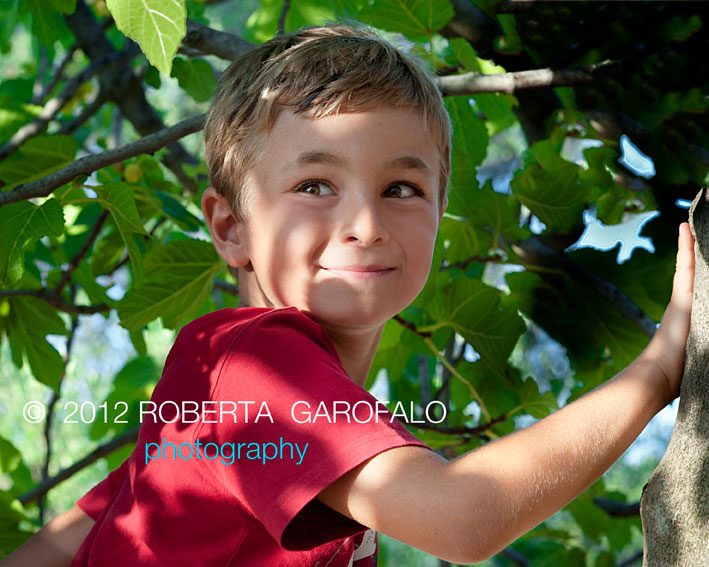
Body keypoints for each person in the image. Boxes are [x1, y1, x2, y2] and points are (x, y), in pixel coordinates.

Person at [1, 24, 695, 567]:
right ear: (229, 225)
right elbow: (462, 516)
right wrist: (656, 370)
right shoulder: (254, 364)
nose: (364, 224)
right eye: (314, 186)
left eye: (401, 188)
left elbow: (80, 534)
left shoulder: (215, 385)